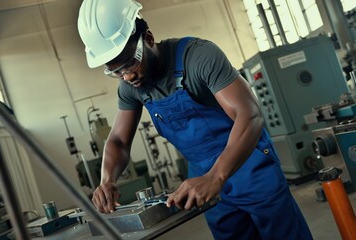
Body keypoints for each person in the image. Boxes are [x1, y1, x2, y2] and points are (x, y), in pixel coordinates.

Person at [77, 0, 313, 239]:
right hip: (203, 177)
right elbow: (117, 139)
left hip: (249, 167)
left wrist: (216, 176)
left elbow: (249, 115)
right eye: (115, 71)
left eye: (131, 63)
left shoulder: (199, 56)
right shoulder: (131, 87)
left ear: (148, 39)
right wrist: (107, 179)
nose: (127, 76)